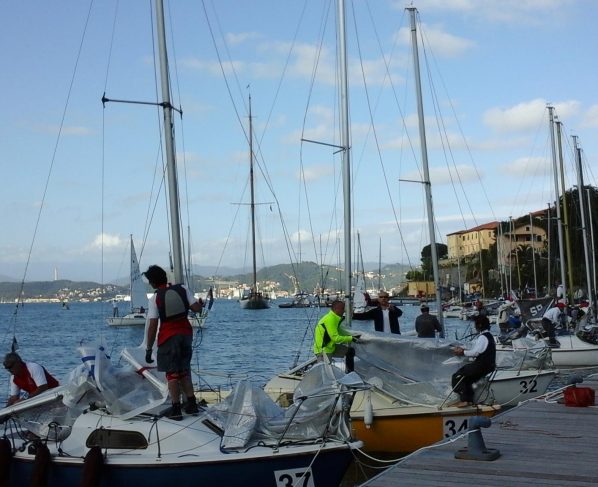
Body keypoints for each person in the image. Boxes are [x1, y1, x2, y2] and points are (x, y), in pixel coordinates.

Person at [143, 265, 204, 420]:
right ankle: (192, 404)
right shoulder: (182, 288)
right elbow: (196, 308)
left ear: (153, 282)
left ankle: (176, 409)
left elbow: (153, 325)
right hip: (186, 335)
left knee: (172, 374)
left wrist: (149, 348)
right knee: (183, 370)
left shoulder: (155, 298)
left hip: (168, 337)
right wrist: (201, 304)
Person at [451, 315, 496, 407]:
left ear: (479, 325)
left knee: (457, 376)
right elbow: (480, 350)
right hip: (489, 366)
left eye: (475, 324)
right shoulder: (490, 336)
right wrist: (465, 350)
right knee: (468, 380)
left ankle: (464, 401)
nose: (474, 327)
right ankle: (469, 401)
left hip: (481, 365)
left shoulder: (483, 337)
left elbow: (475, 353)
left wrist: (462, 352)